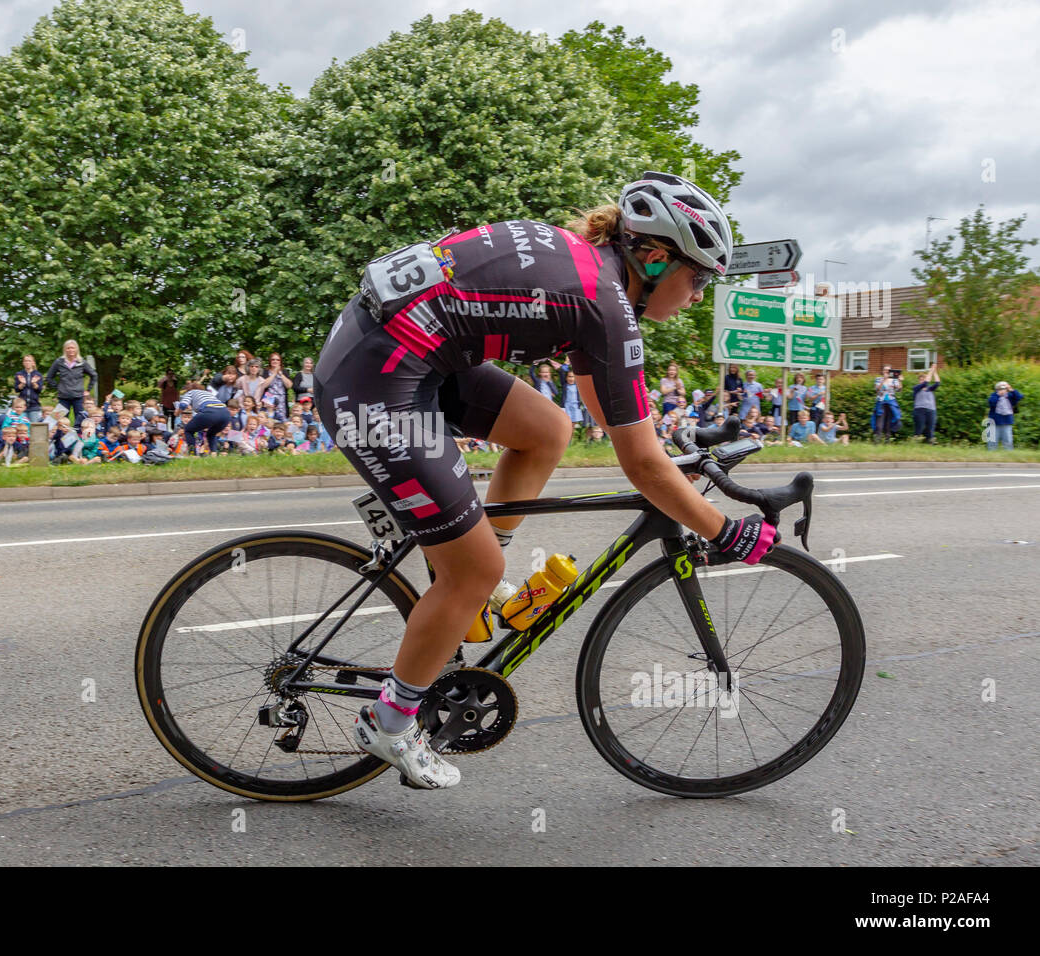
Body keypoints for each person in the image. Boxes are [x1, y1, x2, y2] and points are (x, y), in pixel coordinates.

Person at [314, 170, 775, 790]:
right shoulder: (605, 306)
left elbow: (622, 425)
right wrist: (725, 532)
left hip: (401, 351)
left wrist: (672, 460)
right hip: (376, 382)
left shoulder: (594, 275)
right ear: (659, 259)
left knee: (546, 430)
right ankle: (391, 721)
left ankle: (469, 586)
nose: (697, 296)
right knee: (470, 570)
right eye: (699, 278)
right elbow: (639, 465)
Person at [44, 340, 97, 425]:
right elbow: (49, 377)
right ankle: (61, 437)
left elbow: (93, 375)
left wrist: (88, 389)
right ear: (65, 350)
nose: (71, 350)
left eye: (73, 348)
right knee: (60, 421)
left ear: (76, 349)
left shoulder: (81, 362)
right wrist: (58, 387)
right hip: (63, 397)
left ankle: (79, 437)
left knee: (81, 421)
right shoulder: (59, 362)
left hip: (78, 397)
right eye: (68, 348)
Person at [987, 380, 1023, 451]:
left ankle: (1009, 454)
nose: (1003, 390)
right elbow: (991, 402)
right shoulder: (994, 395)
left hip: (1007, 421)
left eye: (1004, 388)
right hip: (994, 422)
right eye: (1000, 388)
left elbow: (1019, 397)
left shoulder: (1010, 396)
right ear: (997, 389)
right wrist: (998, 395)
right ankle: (991, 454)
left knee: (1008, 440)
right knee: (992, 440)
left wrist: (1011, 389)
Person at [872, 366, 902, 442]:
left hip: (891, 403)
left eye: (888, 370)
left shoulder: (894, 380)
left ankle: (887, 440)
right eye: (885, 370)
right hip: (881, 403)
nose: (887, 371)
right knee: (879, 423)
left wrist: (900, 380)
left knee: (888, 423)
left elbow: (899, 389)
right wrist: (884, 380)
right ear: (882, 371)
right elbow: (877, 389)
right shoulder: (878, 379)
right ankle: (877, 440)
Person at [912, 365, 940, 443]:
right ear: (919, 381)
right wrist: (931, 370)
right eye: (921, 380)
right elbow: (925, 383)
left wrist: (934, 371)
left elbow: (937, 383)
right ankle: (915, 442)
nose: (922, 381)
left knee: (931, 427)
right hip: (919, 410)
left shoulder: (930, 389)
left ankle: (931, 442)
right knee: (920, 427)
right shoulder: (916, 388)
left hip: (931, 409)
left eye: (923, 379)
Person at [15, 355, 45, 422]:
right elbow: (16, 389)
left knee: (33, 427)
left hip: (34, 406)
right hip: (22, 406)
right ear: (23, 363)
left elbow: (39, 390)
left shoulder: (38, 374)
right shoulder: (19, 374)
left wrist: (34, 383)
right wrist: (22, 383)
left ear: (33, 363)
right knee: (22, 426)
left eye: (29, 361)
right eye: (25, 361)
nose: (27, 362)